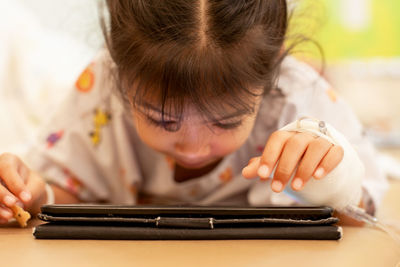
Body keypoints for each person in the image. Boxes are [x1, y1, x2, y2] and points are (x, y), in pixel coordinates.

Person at [0, 0, 387, 225]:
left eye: (227, 121)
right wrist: (34, 193)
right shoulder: (100, 88)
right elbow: (68, 191)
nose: (193, 147)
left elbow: (361, 214)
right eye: (161, 119)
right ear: (121, 77)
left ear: (269, 81)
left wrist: (328, 177)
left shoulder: (296, 96)